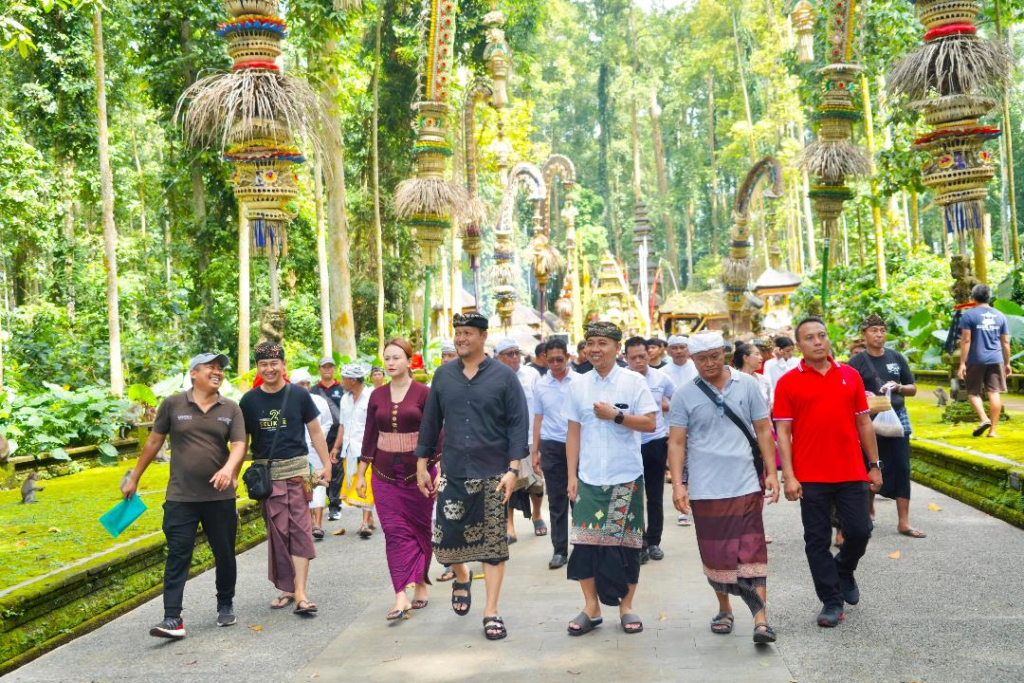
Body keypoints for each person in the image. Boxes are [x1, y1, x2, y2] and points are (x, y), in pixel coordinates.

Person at [415, 311, 527, 641]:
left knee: (493, 547)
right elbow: (431, 422)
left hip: (494, 473)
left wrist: (514, 469)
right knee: (446, 540)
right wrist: (422, 463)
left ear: (482, 336)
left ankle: (491, 612)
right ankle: (462, 576)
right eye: (458, 333)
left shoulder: (504, 377)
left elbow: (517, 424)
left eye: (467, 333)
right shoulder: (443, 376)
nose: (461, 338)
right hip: (453, 471)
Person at [667, 332, 780, 644]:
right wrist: (678, 485)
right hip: (706, 488)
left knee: (752, 550)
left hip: (746, 482)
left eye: (714, 356)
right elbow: (676, 442)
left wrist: (772, 473)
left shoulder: (748, 385)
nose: (709, 363)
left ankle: (761, 620)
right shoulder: (683, 395)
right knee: (717, 554)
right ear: (693, 360)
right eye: (702, 359)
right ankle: (724, 608)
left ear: (725, 354)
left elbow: (763, 430)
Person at [125, 353, 246, 638]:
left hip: (219, 497)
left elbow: (240, 443)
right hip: (181, 497)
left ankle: (225, 603)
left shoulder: (231, 408)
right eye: (211, 367)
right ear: (193, 373)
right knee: (178, 555)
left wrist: (229, 469)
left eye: (220, 369)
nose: (217, 372)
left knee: (224, 553)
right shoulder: (172, 404)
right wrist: (134, 477)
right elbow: (154, 441)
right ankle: (172, 618)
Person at [774, 317, 882, 628]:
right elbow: (783, 432)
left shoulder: (850, 375)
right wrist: (789, 475)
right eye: (810, 337)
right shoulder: (788, 382)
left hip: (851, 470)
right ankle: (831, 601)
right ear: (799, 345)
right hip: (811, 475)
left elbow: (864, 422)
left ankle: (844, 568)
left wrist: (874, 465)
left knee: (860, 530)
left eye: (822, 335)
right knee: (817, 540)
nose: (818, 341)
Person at [564, 321, 657, 637]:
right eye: (590, 343)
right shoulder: (577, 384)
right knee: (584, 544)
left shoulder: (633, 382)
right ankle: (591, 608)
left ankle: (626, 607)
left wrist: (616, 416)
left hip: (625, 477)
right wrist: (571, 475)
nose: (595, 349)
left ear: (617, 348)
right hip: (589, 478)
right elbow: (573, 432)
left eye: (602, 343)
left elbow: (649, 423)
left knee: (626, 545)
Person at [240, 342, 331, 616]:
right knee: (278, 534)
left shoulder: (299, 395)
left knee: (300, 532)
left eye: (274, 363)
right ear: (257, 368)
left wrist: (327, 464)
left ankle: (301, 592)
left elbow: (315, 432)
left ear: (283, 365)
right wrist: (231, 474)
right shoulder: (249, 401)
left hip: (298, 474)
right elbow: (242, 442)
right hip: (268, 480)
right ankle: (287, 588)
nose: (269, 369)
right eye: (263, 364)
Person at [358, 338, 437, 620]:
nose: (390, 363)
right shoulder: (376, 395)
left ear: (409, 361)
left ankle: (421, 582)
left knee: (419, 530)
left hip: (420, 475)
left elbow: (437, 433)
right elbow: (369, 435)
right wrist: (361, 473)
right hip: (383, 474)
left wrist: (435, 467)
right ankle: (400, 594)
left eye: (396, 358)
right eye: (387, 358)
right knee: (393, 531)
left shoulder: (425, 393)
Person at [849, 314, 925, 539]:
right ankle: (867, 513)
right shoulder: (856, 363)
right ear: (864, 334)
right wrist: (864, 396)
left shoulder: (896, 357)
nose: (879, 335)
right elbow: (849, 392)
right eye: (874, 331)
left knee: (902, 467)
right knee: (868, 465)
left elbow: (913, 388)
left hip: (896, 419)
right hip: (868, 422)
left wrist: (898, 387)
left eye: (882, 330)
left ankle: (904, 521)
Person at [624, 336, 676, 563]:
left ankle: (654, 541)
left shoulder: (661, 378)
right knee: (632, 495)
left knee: (654, 495)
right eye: (633, 357)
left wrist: (673, 430)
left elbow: (677, 402)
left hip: (655, 442)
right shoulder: (621, 380)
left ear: (650, 355)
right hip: (629, 444)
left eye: (642, 356)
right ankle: (639, 541)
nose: (638, 361)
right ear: (625, 358)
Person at [531, 338, 577, 569]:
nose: (556, 364)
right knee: (557, 500)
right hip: (551, 446)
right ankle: (559, 550)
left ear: (567, 357)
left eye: (560, 359)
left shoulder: (580, 382)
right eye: (551, 361)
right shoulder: (541, 385)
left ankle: (582, 546)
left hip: (578, 444)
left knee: (579, 498)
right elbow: (538, 418)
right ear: (545, 360)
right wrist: (535, 451)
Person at [495, 337, 546, 542]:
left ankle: (537, 515)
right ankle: (509, 527)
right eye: (510, 353)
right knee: (508, 483)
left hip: (531, 437)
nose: (515, 357)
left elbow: (541, 408)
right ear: (499, 357)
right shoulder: (492, 377)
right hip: (504, 441)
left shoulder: (531, 374)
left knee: (536, 482)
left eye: (517, 353)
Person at [958, 284, 1012, 438]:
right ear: (989, 297)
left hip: (976, 359)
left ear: (973, 298)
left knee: (973, 392)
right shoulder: (1000, 316)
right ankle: (992, 431)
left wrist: (962, 363)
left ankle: (983, 418)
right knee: (994, 392)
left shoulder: (969, 315)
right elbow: (1005, 342)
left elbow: (966, 340)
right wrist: (1007, 363)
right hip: (996, 359)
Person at [292, 368, 334, 540]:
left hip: (316, 449)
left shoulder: (319, 401)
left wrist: (316, 438)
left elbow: (328, 422)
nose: (305, 386)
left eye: (307, 383)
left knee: (319, 482)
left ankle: (318, 524)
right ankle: (308, 522)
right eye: (301, 383)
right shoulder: (289, 402)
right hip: (297, 450)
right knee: (304, 484)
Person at [339, 364, 376, 537]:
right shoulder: (344, 399)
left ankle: (365, 522)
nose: (342, 382)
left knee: (366, 481)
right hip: (349, 448)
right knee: (353, 483)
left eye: (344, 378)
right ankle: (370, 517)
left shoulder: (371, 397)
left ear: (353, 380)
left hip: (367, 448)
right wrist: (336, 447)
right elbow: (342, 425)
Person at [311, 359, 346, 524]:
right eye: (324, 367)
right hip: (316, 438)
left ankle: (334, 505)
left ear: (334, 369)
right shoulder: (313, 390)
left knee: (336, 471)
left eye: (330, 367)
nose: (327, 370)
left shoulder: (342, 389)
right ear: (319, 369)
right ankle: (317, 505)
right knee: (318, 471)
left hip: (336, 436)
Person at [733, 343, 772, 410]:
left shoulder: (763, 380)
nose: (761, 358)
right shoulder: (733, 381)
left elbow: (767, 405)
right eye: (757, 354)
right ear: (746, 358)